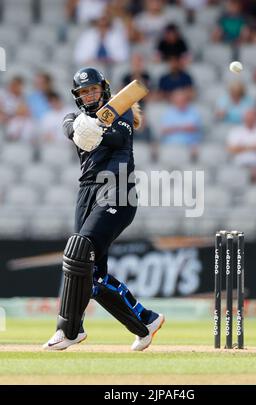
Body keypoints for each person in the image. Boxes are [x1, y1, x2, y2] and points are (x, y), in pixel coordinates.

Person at [43, 67, 164, 351]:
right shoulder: (75, 116)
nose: (89, 95)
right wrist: (78, 129)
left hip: (117, 189)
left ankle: (69, 330)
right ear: (77, 96)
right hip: (87, 192)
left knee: (79, 249)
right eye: (83, 92)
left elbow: (119, 138)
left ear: (104, 89)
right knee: (91, 274)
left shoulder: (120, 113)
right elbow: (67, 126)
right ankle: (145, 321)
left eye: (93, 89)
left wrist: (98, 131)